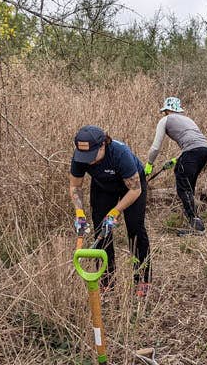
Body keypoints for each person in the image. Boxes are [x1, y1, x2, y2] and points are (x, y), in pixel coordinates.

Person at [69, 125, 151, 297]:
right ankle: (107, 280)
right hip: (103, 186)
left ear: (103, 145)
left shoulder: (120, 154)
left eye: (91, 156)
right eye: (84, 157)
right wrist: (79, 213)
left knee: (135, 228)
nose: (87, 161)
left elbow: (135, 190)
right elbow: (75, 186)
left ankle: (142, 279)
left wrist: (115, 213)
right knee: (101, 230)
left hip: (131, 186)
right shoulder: (79, 158)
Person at [144, 97, 207, 234]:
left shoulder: (165, 120)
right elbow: (195, 143)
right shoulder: (188, 120)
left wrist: (149, 164)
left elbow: (155, 148)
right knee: (188, 186)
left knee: (183, 189)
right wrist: (176, 160)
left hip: (192, 152)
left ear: (167, 110)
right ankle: (192, 221)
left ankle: (197, 226)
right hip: (205, 151)